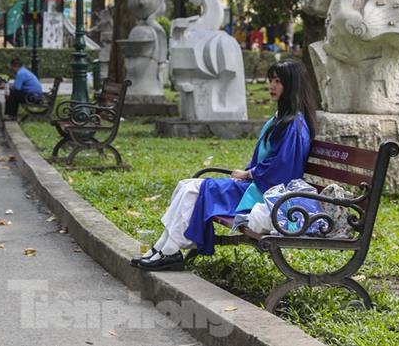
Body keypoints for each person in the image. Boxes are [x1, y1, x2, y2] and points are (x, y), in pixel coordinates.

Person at [131, 59, 316, 271]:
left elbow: (281, 170)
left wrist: (248, 174)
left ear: (292, 86)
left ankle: (170, 251)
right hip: (257, 187)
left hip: (267, 196)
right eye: (271, 80)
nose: (272, 86)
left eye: (278, 81)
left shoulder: (294, 125)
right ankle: (162, 247)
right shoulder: (280, 120)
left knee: (193, 189)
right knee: (185, 185)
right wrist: (248, 175)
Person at [4, 56, 43, 120]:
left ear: (15, 66)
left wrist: (8, 87)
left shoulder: (20, 73)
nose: (12, 69)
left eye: (12, 67)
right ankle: (11, 115)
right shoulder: (24, 71)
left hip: (32, 97)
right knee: (13, 92)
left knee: (12, 93)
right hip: (35, 96)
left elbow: (17, 88)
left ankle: (11, 115)